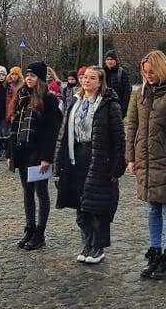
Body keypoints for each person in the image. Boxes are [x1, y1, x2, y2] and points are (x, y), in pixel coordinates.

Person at [54, 65, 126, 264]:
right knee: (81, 204)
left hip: (100, 158)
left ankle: (98, 245)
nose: (86, 81)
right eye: (84, 77)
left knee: (98, 205)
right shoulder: (75, 102)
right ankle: (86, 242)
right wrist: (58, 162)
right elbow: (63, 132)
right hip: (76, 156)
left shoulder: (109, 105)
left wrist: (117, 166)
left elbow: (119, 138)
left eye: (92, 78)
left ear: (100, 82)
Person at [127, 50, 166, 280]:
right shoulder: (141, 94)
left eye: (152, 72)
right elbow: (132, 127)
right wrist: (130, 157)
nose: (148, 76)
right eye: (145, 72)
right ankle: (154, 253)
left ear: (162, 69)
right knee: (153, 208)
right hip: (146, 161)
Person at [8, 61, 62, 250]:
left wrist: (47, 157)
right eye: (27, 75)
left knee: (41, 192)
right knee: (27, 193)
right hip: (22, 151)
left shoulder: (48, 99)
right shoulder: (21, 96)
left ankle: (40, 232)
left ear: (39, 78)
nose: (29, 78)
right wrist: (10, 153)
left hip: (38, 153)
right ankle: (29, 229)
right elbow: (13, 127)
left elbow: (52, 131)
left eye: (33, 75)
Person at [103, 49, 132, 118]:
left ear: (116, 60)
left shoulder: (122, 73)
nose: (109, 61)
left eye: (112, 59)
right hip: (104, 108)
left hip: (118, 107)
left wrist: (124, 109)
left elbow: (126, 92)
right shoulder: (102, 73)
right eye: (107, 59)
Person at [0, 66, 13, 161]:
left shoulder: (9, 86)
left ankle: (6, 151)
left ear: (6, 75)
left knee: (6, 133)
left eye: (3, 75)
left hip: (6, 113)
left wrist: (12, 113)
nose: (1, 77)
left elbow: (13, 100)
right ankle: (0, 150)